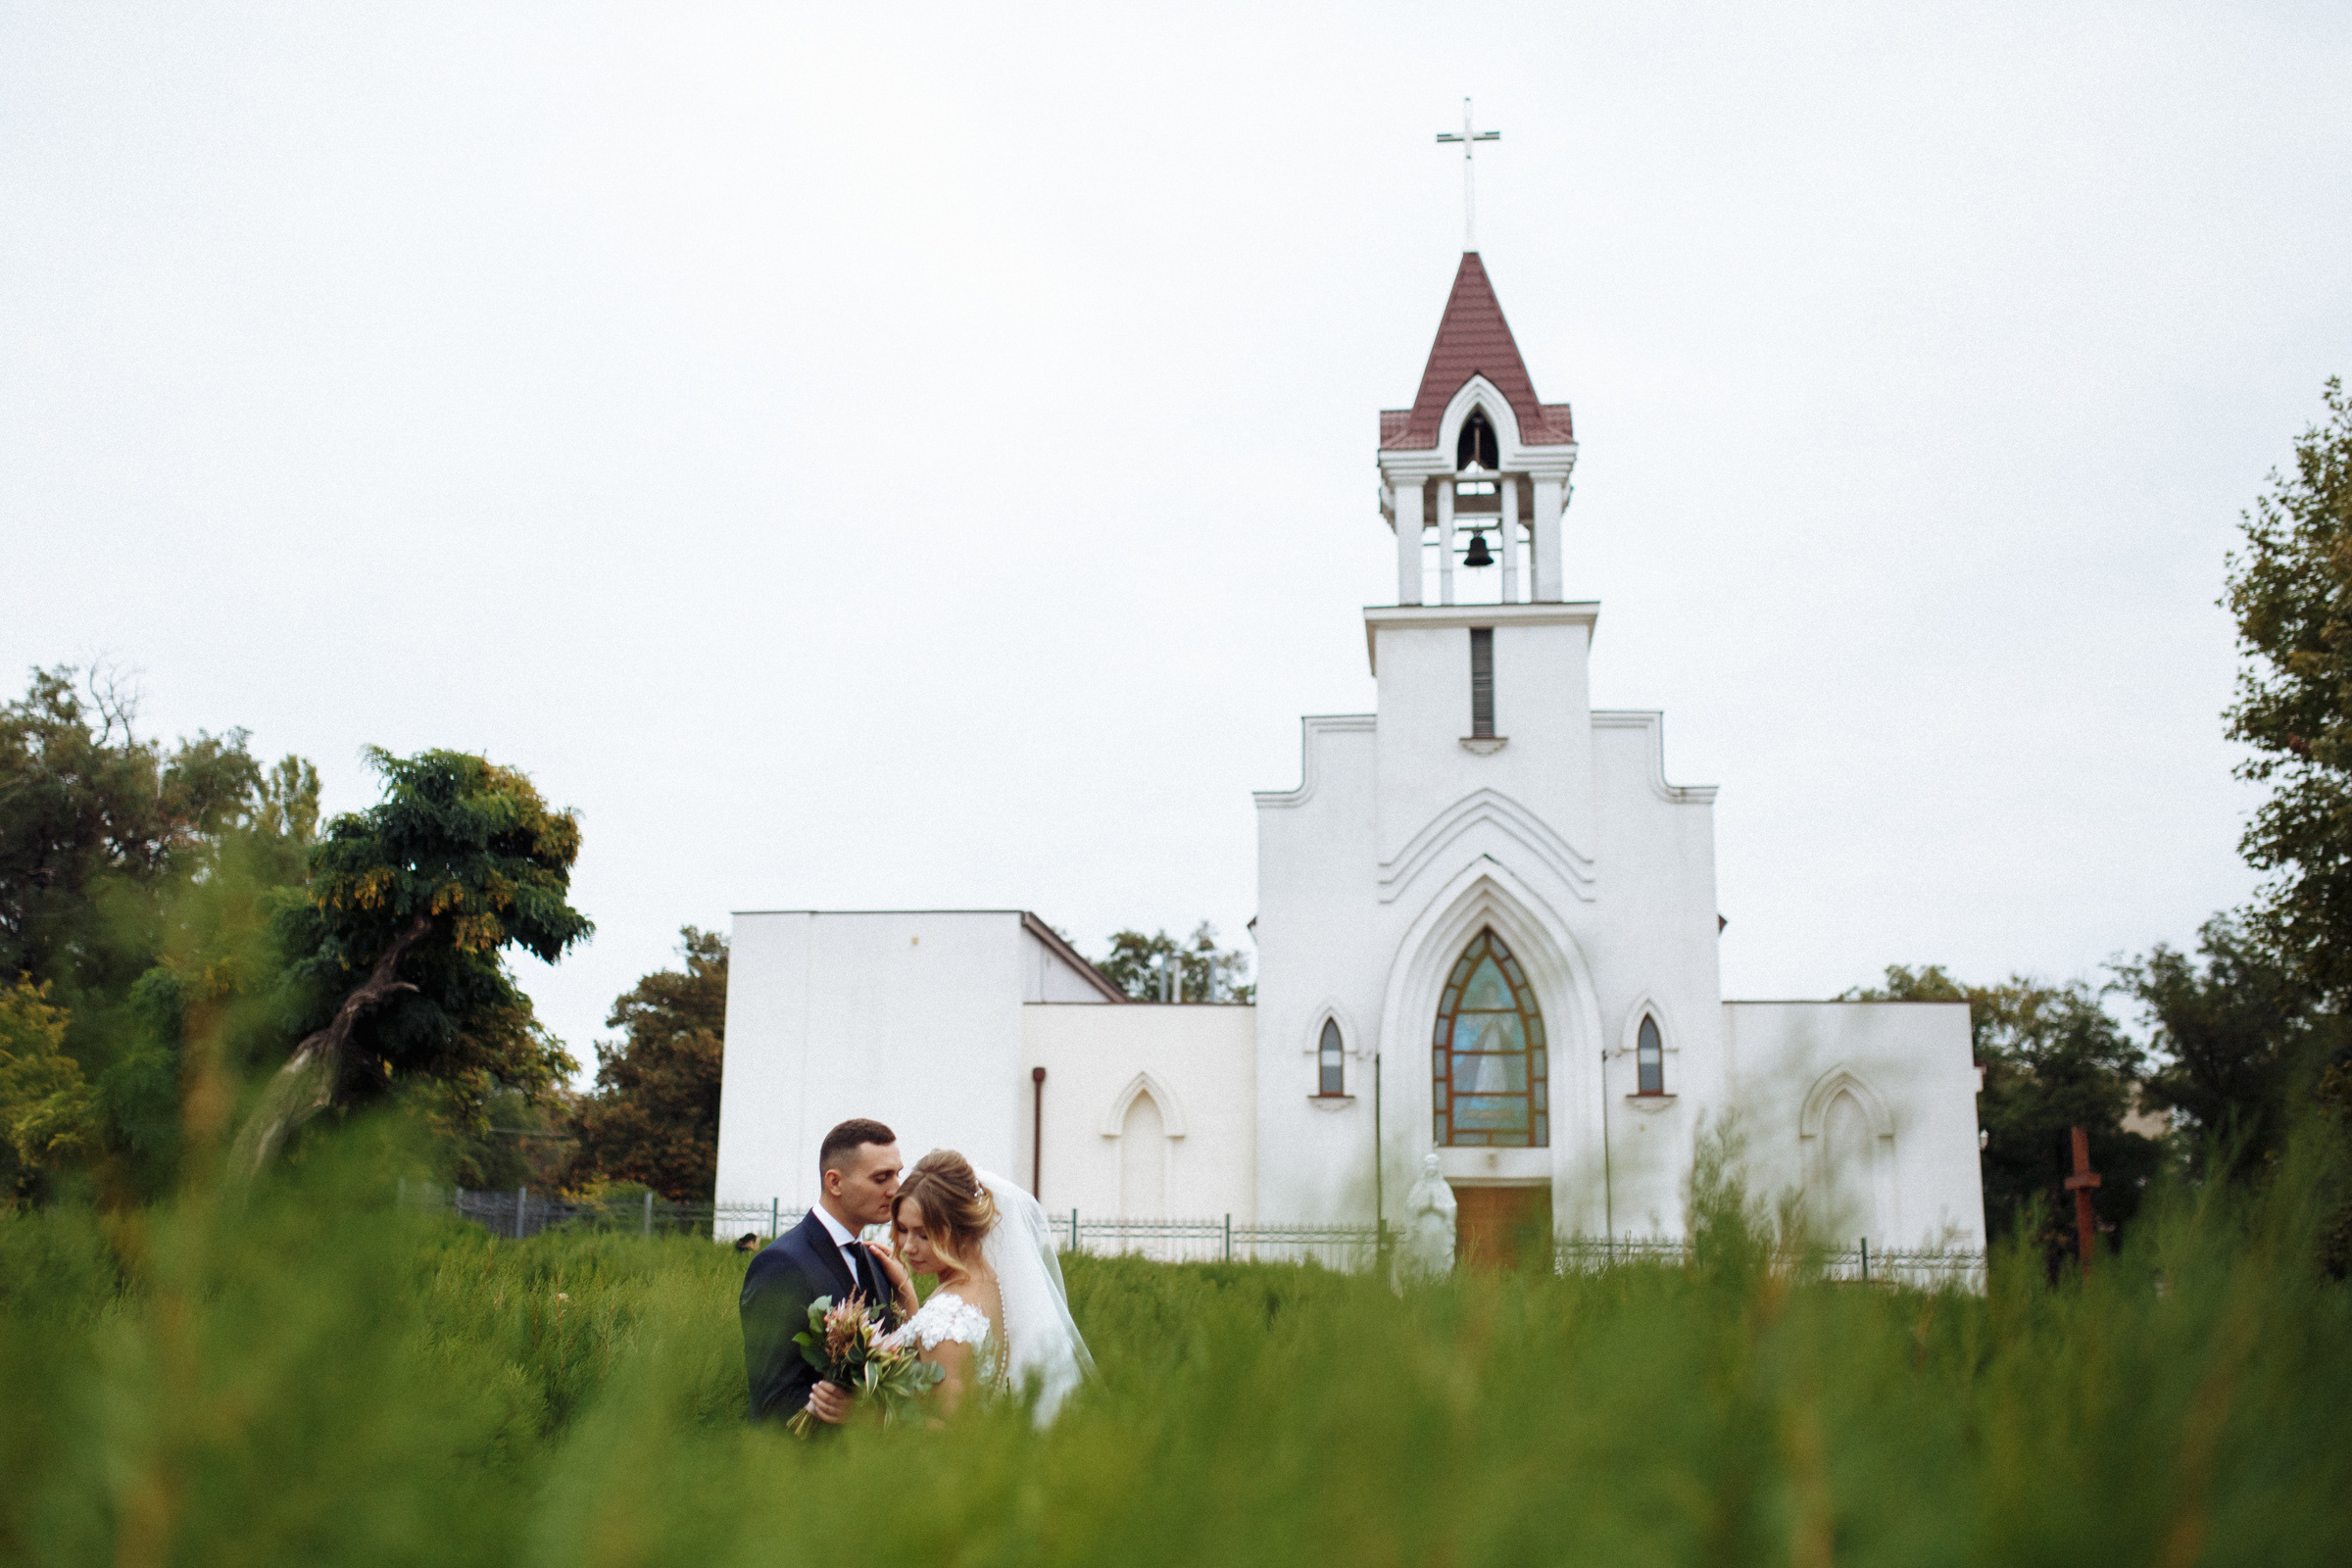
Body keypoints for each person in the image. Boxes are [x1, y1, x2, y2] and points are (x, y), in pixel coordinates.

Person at [865, 1149, 1095, 1425]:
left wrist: (867, 1417)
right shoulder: (991, 1284)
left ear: (962, 1231)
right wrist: (907, 1293)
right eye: (902, 1229)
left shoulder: (947, 1320)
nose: (908, 1246)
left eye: (925, 1234)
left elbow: (954, 1432)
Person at [738, 1117, 905, 1425]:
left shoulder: (877, 1263)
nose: (895, 1189)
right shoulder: (781, 1265)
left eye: (897, 1174)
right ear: (835, 1182)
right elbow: (771, 1398)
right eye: (881, 1178)